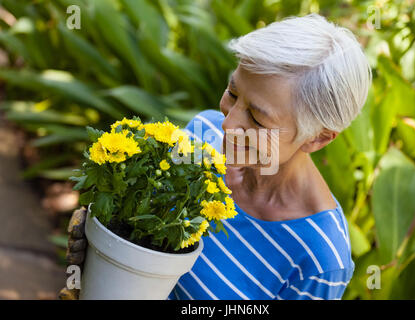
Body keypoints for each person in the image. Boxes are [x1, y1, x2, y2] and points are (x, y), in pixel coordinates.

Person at [59, 13, 371, 300]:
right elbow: (143, 238)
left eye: (258, 120)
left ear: (318, 138)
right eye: (233, 94)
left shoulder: (320, 258)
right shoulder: (203, 134)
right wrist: (103, 250)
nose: (229, 123)